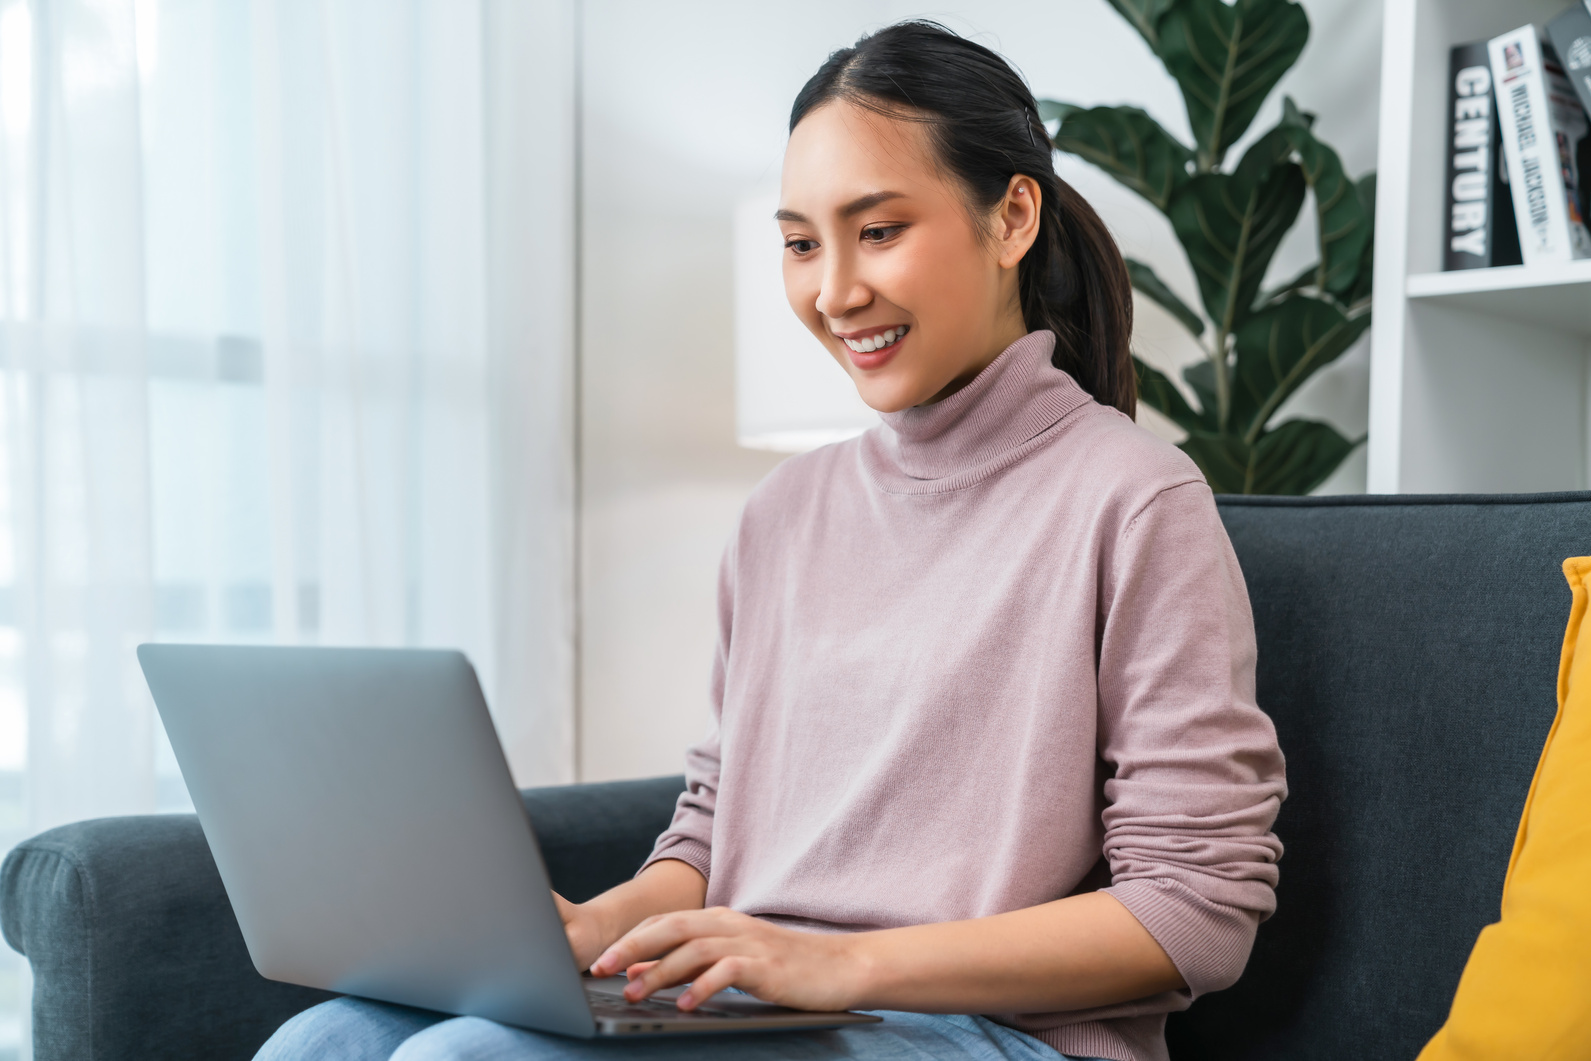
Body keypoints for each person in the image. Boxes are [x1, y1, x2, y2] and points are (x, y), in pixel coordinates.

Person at [257, 20, 1285, 1061]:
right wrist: (592, 929)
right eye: (801, 243)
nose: (834, 291)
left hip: (985, 1033)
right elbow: (713, 830)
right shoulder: (783, 513)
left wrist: (839, 963)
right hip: (776, 1010)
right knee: (323, 1040)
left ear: (1012, 215)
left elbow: (1195, 906)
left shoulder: (1135, 499)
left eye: (878, 231)